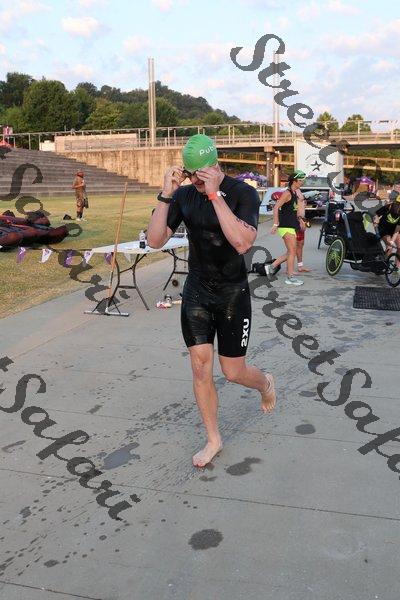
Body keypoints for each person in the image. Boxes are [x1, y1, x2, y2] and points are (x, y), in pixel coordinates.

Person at [147, 134, 276, 468]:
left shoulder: (243, 193)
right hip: (197, 291)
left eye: (200, 175)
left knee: (233, 372)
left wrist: (215, 194)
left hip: (232, 292)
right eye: (190, 175)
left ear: (215, 166)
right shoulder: (185, 195)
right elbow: (155, 240)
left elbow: (242, 243)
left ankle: (265, 383)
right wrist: (166, 194)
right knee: (200, 366)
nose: (195, 182)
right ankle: (213, 439)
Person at [266, 170, 307, 285]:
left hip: (292, 225)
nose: (302, 182)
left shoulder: (294, 193)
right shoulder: (287, 193)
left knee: (291, 251)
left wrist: (300, 220)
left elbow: (293, 210)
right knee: (292, 251)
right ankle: (290, 277)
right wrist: (275, 224)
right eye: (300, 180)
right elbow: (276, 207)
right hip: (285, 226)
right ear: (294, 181)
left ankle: (271, 267)